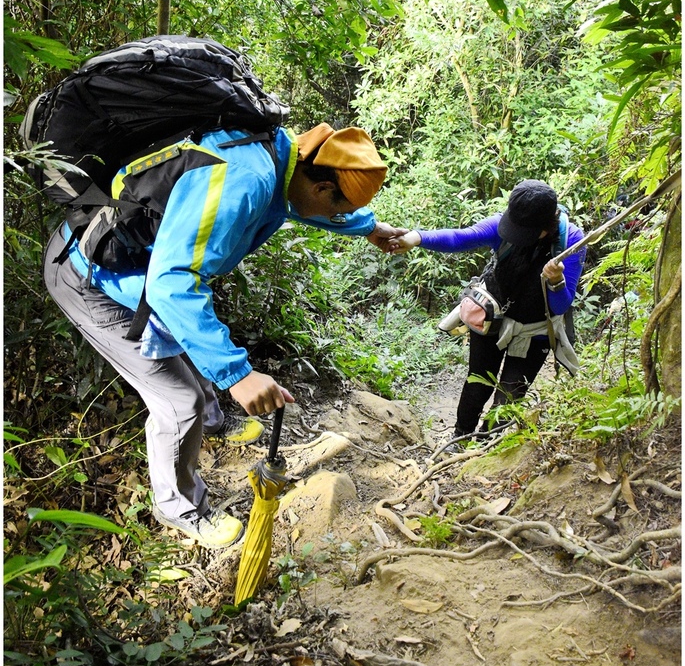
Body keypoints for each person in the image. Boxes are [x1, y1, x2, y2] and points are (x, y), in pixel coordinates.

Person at [44, 121, 407, 547]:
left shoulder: (283, 157)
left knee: (195, 338)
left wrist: (367, 227)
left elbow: (296, 205)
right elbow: (170, 285)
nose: (335, 218)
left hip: (138, 272)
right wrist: (238, 375)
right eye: (338, 209)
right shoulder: (248, 179)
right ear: (324, 187)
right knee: (179, 401)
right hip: (90, 276)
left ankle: (213, 425)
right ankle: (179, 507)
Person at [388, 180, 585, 444]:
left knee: (510, 394)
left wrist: (555, 281)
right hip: (492, 317)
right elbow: (460, 238)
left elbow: (561, 305)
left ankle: (483, 447)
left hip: (534, 332)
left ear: (545, 228)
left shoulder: (571, 242)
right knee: (478, 382)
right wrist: (416, 237)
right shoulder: (508, 223)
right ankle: (459, 439)